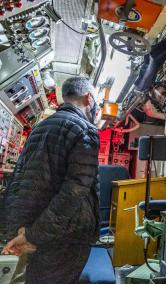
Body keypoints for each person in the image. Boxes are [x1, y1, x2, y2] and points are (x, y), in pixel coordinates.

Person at [2, 76, 100, 283]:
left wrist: (22, 231)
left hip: (32, 227)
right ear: (89, 99)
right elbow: (74, 193)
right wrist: (34, 235)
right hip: (62, 237)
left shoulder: (39, 128)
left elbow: (21, 181)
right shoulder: (85, 130)